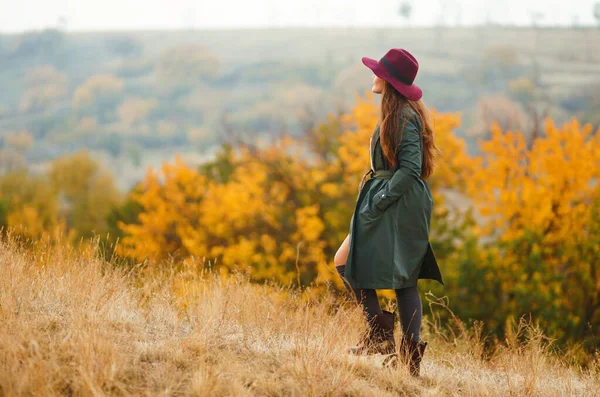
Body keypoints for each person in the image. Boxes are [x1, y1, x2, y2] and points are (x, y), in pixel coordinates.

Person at [333, 48, 444, 377]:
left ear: (389, 81)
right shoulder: (397, 114)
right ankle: (380, 335)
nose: (372, 75)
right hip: (390, 200)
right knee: (348, 260)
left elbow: (410, 170)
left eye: (377, 71)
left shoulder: (404, 117)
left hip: (398, 205)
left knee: (403, 280)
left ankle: (403, 359)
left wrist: (379, 199)